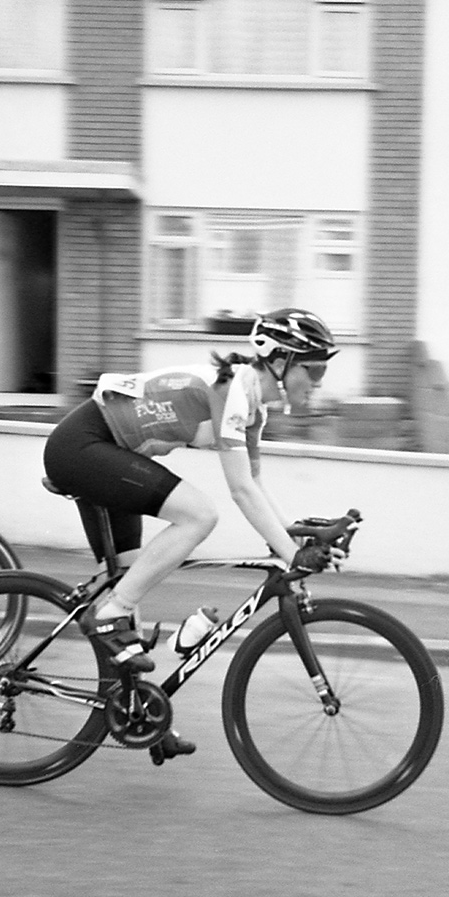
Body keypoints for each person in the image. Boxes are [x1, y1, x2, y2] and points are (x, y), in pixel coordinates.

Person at [42, 308, 341, 762]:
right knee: (199, 515)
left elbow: (256, 486)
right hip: (83, 445)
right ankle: (111, 613)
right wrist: (290, 555)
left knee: (131, 578)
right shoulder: (234, 391)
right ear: (280, 361)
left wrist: (293, 542)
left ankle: (137, 713)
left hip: (104, 449)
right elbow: (239, 490)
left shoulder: (251, 407)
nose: (317, 381)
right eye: (313, 368)